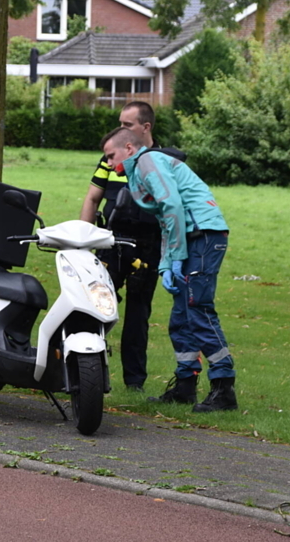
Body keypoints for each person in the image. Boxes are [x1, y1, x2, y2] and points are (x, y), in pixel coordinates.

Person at [101, 127, 237, 413]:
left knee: (197, 309)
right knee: (180, 317)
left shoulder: (148, 161)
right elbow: (166, 217)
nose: (110, 165)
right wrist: (167, 264)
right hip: (193, 237)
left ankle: (224, 388)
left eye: (111, 156)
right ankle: (185, 385)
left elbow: (173, 206)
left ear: (128, 148)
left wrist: (177, 256)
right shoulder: (139, 171)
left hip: (203, 234)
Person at [79, 102, 163, 392]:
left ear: (145, 127)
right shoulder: (110, 157)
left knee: (138, 317)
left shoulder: (161, 160)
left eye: (127, 125)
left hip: (147, 246)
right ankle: (86, 374)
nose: (120, 129)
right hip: (110, 243)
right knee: (96, 308)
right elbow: (92, 199)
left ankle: (134, 383)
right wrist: (84, 242)